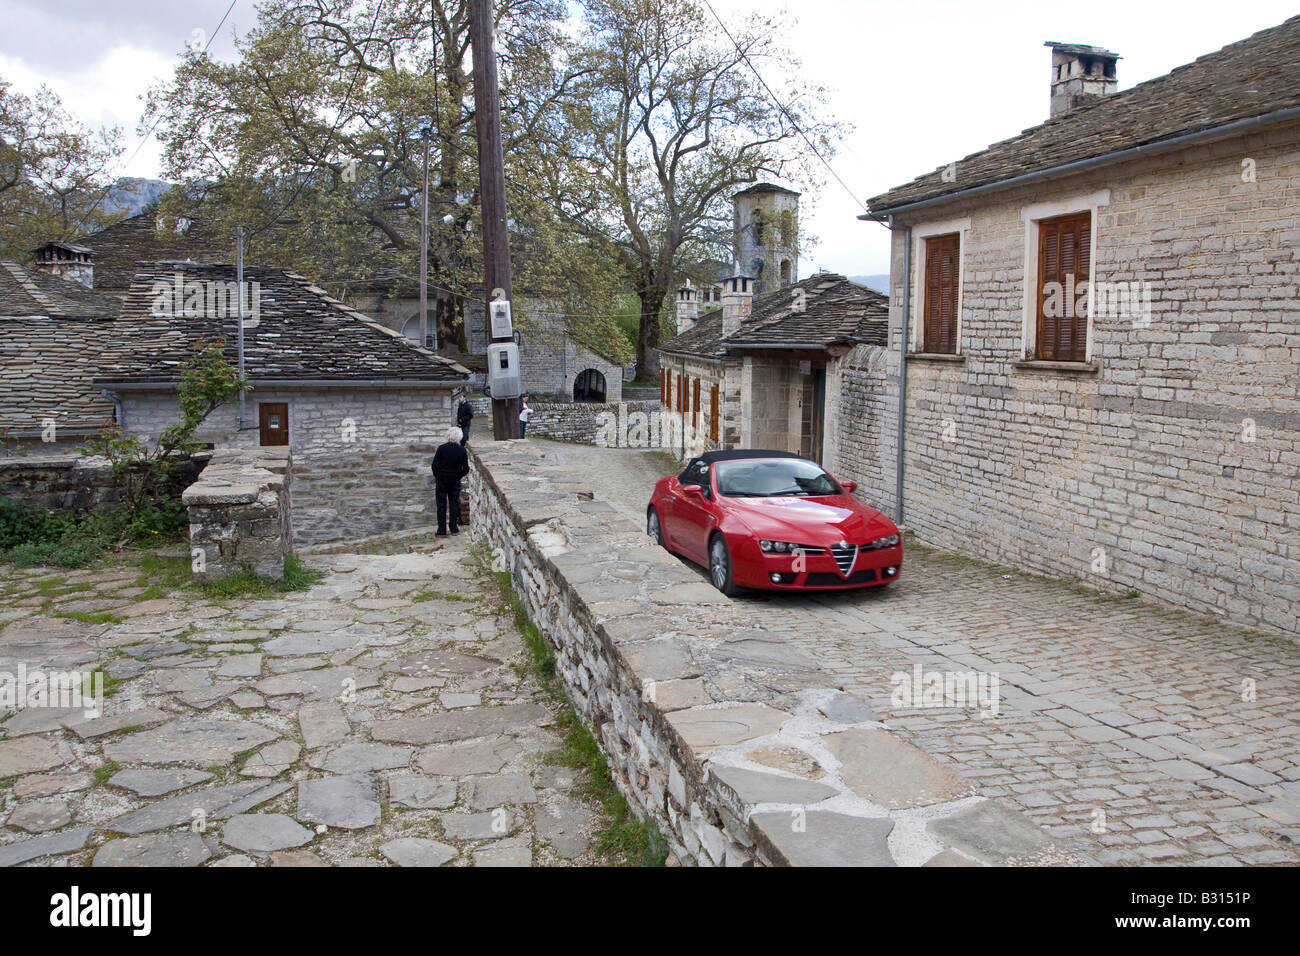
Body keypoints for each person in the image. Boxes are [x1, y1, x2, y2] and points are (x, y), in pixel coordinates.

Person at [431, 426, 469, 536]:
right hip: (455, 480)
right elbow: (466, 468)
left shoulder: (441, 448)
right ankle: (454, 528)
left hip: (442, 479)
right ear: (459, 437)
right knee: (454, 503)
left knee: (441, 504)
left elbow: (434, 465)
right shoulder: (462, 450)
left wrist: (437, 476)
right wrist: (458, 475)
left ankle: (441, 530)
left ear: (448, 436)